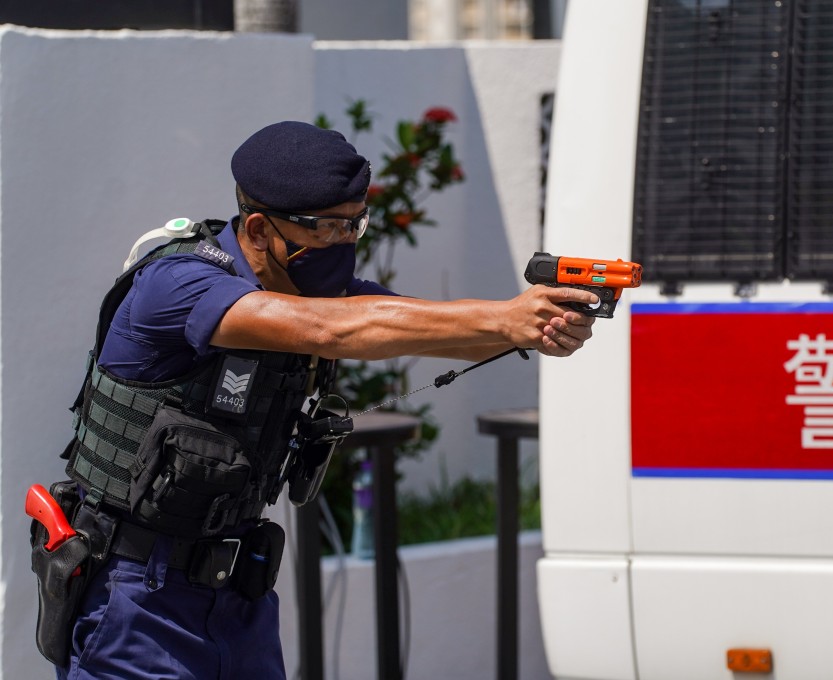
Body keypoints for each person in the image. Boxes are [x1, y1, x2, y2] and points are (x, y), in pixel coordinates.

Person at [37, 121, 597, 679]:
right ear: (258, 229)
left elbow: (409, 322)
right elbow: (329, 332)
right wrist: (504, 317)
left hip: (236, 592)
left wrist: (529, 327)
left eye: (355, 223)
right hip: (134, 592)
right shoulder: (180, 281)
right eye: (328, 228)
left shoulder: (313, 291)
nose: (346, 242)